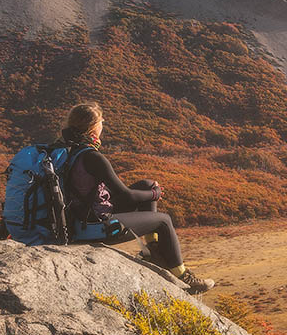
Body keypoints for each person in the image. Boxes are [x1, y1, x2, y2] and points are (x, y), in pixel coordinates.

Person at [60, 102, 215, 294]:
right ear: (93, 127)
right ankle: (183, 276)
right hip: (93, 226)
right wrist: (155, 195)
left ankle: (154, 252)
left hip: (81, 216)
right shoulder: (92, 157)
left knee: (147, 184)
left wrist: (149, 190)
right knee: (164, 221)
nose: (103, 124)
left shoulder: (68, 150)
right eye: (101, 121)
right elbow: (125, 194)